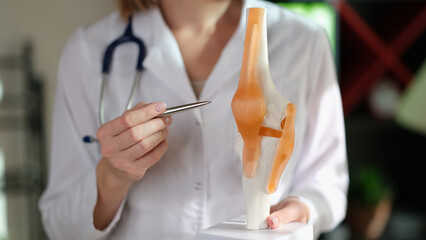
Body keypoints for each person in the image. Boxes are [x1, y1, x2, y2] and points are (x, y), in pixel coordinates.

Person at [39, 0, 349, 239]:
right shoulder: (88, 52)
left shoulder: (304, 42)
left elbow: (328, 184)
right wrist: (112, 176)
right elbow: (62, 228)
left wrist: (304, 208)